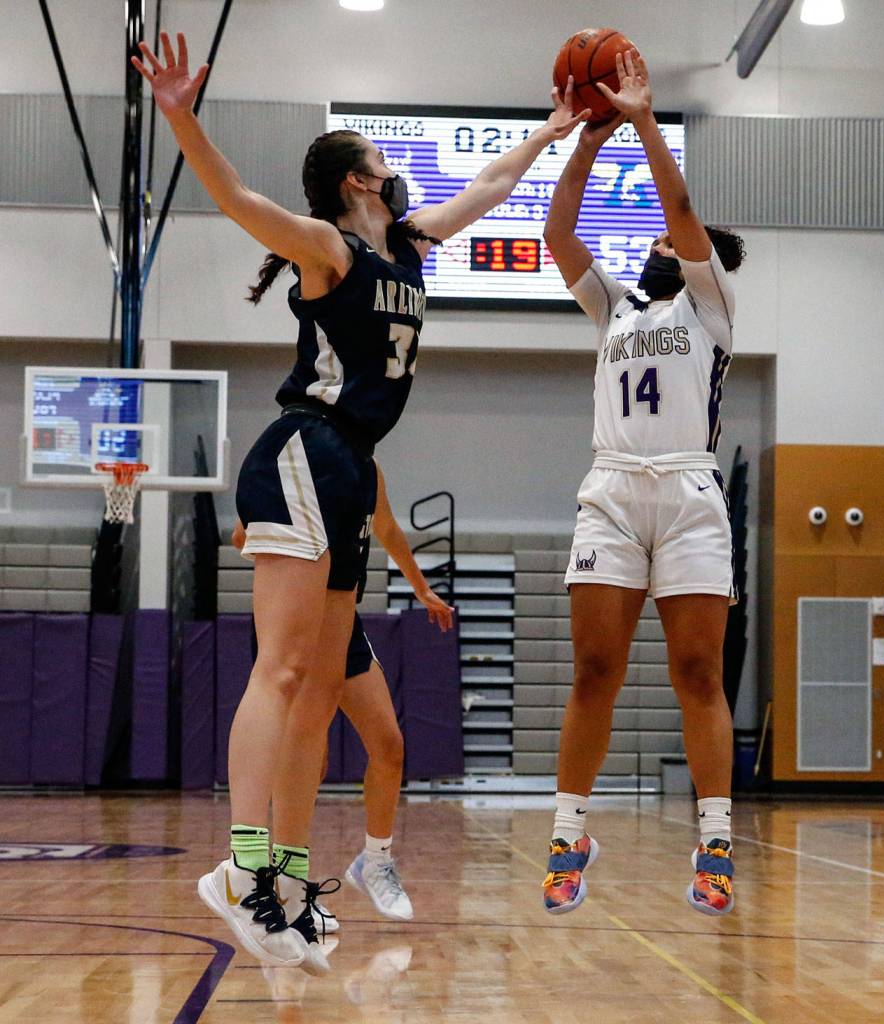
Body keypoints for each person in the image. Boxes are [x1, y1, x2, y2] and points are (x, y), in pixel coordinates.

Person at [133, 32, 591, 972]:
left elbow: (492, 187)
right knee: (284, 674)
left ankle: (290, 885)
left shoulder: (412, 247)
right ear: (355, 181)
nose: (398, 172)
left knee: (315, 703)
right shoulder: (328, 249)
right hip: (304, 450)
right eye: (384, 160)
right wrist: (182, 120)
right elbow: (238, 201)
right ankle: (244, 868)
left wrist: (549, 131)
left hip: (349, 470)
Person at [540, 49, 746, 918]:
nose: (660, 244)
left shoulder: (710, 307)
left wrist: (645, 118)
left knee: (698, 672)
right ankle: (568, 831)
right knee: (595, 668)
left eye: (669, 240)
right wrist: (592, 133)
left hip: (690, 493)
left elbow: (683, 206)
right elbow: (557, 233)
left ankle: (715, 839)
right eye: (657, 241)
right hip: (615, 489)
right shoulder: (617, 308)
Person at [232, 459, 454, 926]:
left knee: (389, 746)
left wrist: (422, 590)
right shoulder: (293, 461)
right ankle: (285, 887)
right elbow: (241, 535)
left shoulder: (369, 468)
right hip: (294, 621)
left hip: (342, 627)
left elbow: (389, 529)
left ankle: (375, 861)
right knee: (307, 762)